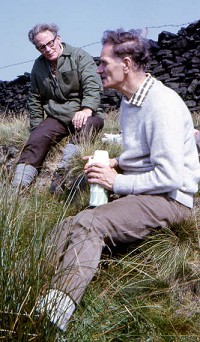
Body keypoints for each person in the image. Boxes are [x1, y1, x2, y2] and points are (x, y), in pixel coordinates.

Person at [36, 28, 200, 331]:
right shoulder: (130, 101)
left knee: (90, 223)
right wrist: (114, 161)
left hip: (171, 200)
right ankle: (37, 291)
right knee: (69, 224)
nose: (97, 69)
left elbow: (171, 175)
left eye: (103, 63)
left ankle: (51, 320)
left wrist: (116, 182)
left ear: (125, 64)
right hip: (147, 193)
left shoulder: (161, 105)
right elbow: (144, 153)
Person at [12, 23, 104, 191]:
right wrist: (36, 127)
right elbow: (35, 98)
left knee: (87, 129)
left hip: (85, 112)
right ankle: (18, 189)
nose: (47, 49)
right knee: (36, 140)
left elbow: (93, 84)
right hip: (57, 117)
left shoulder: (79, 56)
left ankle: (62, 180)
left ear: (58, 39)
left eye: (50, 43)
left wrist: (86, 109)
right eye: (41, 47)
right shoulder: (38, 66)